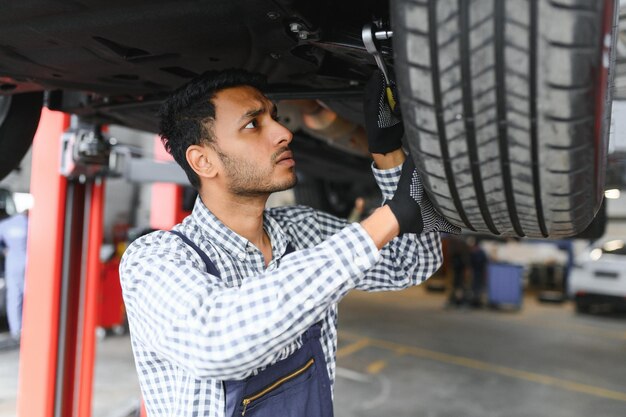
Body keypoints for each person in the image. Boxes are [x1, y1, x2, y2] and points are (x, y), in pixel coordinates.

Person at [120, 69, 459, 417]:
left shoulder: (302, 229)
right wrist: (387, 219)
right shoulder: (155, 258)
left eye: (276, 118)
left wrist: (388, 154)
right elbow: (217, 344)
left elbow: (410, 263)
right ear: (203, 161)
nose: (284, 132)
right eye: (253, 124)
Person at [0, 210, 28, 344]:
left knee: (14, 297)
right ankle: (29, 327)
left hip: (12, 263)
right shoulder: (30, 223)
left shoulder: (5, 225)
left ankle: (16, 330)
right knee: (29, 296)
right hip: (29, 263)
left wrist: (5, 251)